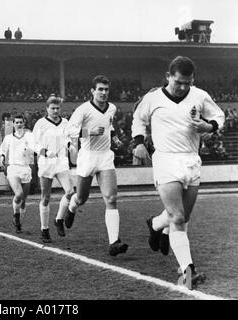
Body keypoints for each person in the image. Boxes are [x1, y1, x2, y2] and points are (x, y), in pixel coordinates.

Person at [131, 56, 225, 289]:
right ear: (168, 77)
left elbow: (219, 116)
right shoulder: (153, 98)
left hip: (191, 160)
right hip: (165, 160)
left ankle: (154, 224)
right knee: (178, 218)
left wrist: (209, 126)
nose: (183, 87)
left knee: (183, 216)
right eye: (178, 82)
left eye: (188, 82)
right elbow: (138, 120)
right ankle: (188, 271)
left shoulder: (200, 96)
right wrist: (139, 142)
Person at [64, 75, 129, 256]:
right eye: (100, 89)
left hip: (106, 156)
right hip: (88, 157)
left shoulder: (112, 108)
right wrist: (89, 132)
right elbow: (68, 130)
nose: (103, 93)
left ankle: (114, 242)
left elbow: (109, 125)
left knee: (111, 198)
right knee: (82, 197)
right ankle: (71, 208)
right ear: (92, 91)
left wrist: (114, 137)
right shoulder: (83, 110)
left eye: (106, 89)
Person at [32, 96, 76, 243]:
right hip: (46, 163)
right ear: (47, 109)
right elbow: (33, 143)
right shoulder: (41, 123)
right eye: (53, 108)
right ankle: (44, 229)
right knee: (46, 197)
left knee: (70, 192)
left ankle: (59, 219)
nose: (56, 111)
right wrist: (44, 151)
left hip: (61, 162)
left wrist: (70, 145)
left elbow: (72, 135)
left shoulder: (65, 122)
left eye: (58, 108)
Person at [0, 115, 35, 233]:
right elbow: (2, 150)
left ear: (24, 124)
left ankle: (19, 224)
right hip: (13, 168)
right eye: (17, 122)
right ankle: (15, 214)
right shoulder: (8, 138)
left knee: (24, 200)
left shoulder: (29, 136)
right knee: (18, 194)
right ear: (13, 124)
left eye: (21, 122)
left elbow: (35, 146)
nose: (19, 124)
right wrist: (1, 158)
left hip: (25, 168)